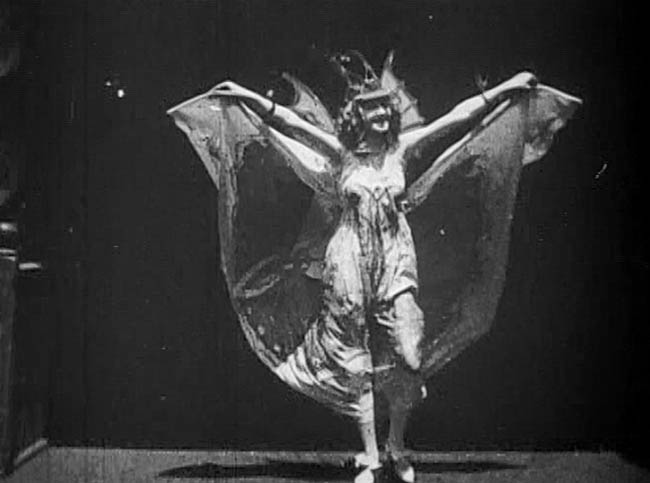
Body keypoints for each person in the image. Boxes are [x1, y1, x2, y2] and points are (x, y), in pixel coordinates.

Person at [208, 63, 537, 483]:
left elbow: (458, 117)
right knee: (354, 357)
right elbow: (289, 121)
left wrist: (508, 87)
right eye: (372, 109)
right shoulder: (340, 154)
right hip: (348, 259)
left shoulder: (400, 149)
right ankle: (371, 456)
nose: (381, 114)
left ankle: (397, 444)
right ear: (358, 115)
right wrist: (243, 94)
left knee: (409, 352)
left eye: (385, 107)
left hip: (395, 258)